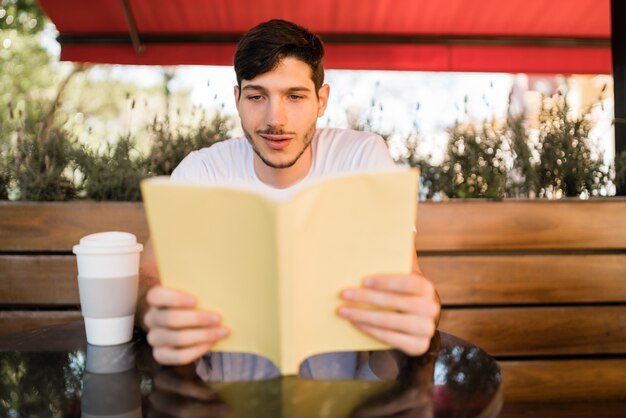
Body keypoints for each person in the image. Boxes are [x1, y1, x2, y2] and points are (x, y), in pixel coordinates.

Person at [138, 19, 440, 368]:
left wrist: (422, 307)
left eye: (294, 96)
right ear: (237, 100)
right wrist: (154, 312)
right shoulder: (201, 171)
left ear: (321, 100)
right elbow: (149, 275)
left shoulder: (362, 158)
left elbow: (408, 275)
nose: (274, 119)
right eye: (256, 96)